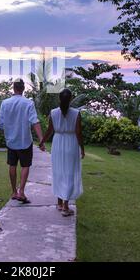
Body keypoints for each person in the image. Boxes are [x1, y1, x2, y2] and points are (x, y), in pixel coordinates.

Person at [0, 79, 45, 203]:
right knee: (25, 165)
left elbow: (1, 124)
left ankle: (14, 191)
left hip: (11, 142)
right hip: (25, 141)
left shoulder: (5, 103)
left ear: (13, 88)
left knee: (12, 165)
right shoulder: (28, 103)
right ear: (23, 89)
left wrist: (8, 135)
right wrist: (41, 139)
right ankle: (22, 192)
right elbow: (35, 121)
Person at [40, 88, 84, 216]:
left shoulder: (53, 112)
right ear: (71, 99)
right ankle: (65, 206)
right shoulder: (76, 113)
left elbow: (49, 131)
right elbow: (78, 132)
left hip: (58, 143)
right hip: (71, 143)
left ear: (59, 99)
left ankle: (60, 203)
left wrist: (42, 141)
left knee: (59, 172)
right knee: (69, 173)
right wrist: (82, 148)